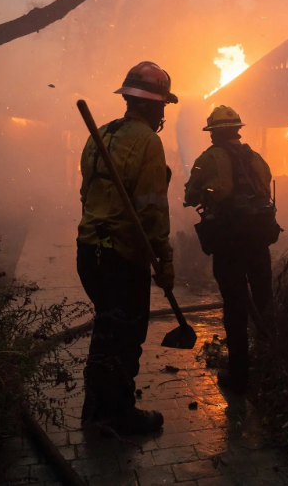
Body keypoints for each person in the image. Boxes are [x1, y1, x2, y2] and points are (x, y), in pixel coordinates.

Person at [76, 61, 176, 434]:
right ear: (153, 104)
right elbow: (151, 209)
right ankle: (118, 415)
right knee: (126, 336)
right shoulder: (149, 141)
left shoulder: (99, 134)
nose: (163, 113)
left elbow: (86, 194)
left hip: (88, 252)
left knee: (107, 329)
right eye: (162, 105)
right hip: (120, 257)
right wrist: (164, 259)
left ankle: (95, 410)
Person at [184, 105, 280, 393]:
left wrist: (203, 194)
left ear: (213, 133)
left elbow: (190, 196)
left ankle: (239, 374)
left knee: (235, 305)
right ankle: (271, 365)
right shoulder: (257, 159)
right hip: (258, 239)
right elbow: (264, 189)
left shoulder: (207, 159)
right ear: (238, 130)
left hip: (228, 242)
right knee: (264, 299)